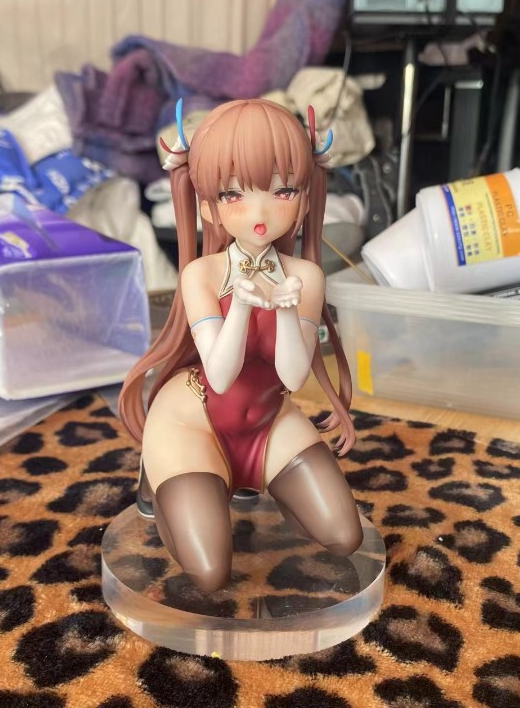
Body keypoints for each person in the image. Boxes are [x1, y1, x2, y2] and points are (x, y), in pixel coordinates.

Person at [118, 99, 362, 592]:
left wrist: (286, 307)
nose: (259, 213)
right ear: (208, 206)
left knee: (344, 537)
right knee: (210, 574)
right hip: (194, 417)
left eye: (282, 190)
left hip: (269, 418)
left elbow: (293, 377)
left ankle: (240, 477)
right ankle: (159, 468)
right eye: (234, 194)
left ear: (306, 200)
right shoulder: (203, 274)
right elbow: (220, 374)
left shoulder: (305, 276)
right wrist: (245, 306)